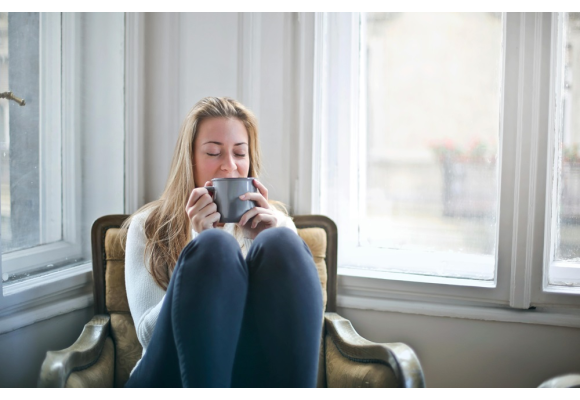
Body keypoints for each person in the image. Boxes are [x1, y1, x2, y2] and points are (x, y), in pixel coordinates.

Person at [121, 97, 323, 388]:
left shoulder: (276, 223)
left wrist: (261, 241)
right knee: (214, 247)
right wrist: (198, 243)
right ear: (189, 159)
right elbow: (148, 336)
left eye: (240, 154)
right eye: (214, 153)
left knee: (282, 241)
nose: (229, 167)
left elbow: (301, 328)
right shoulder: (148, 226)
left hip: (248, 376)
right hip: (167, 374)